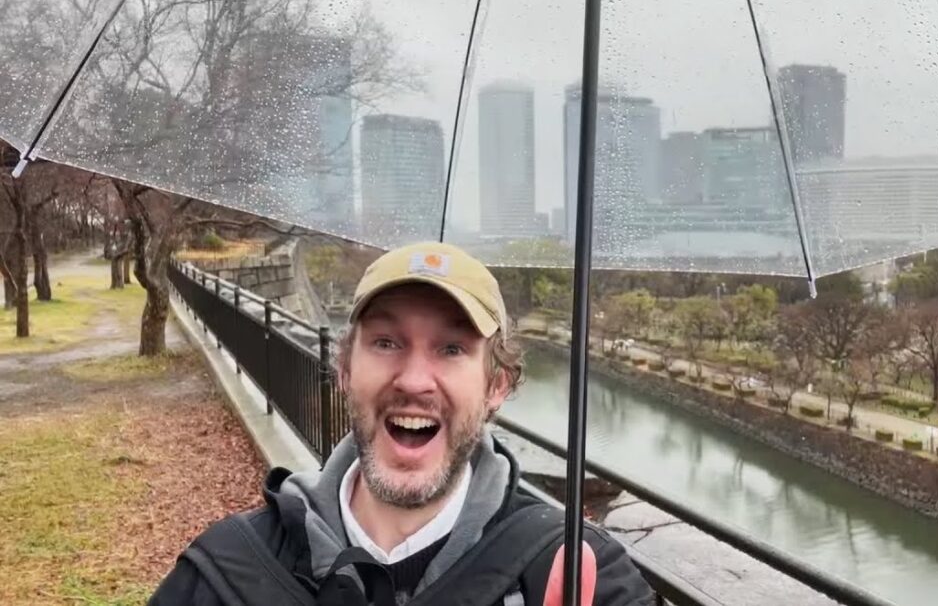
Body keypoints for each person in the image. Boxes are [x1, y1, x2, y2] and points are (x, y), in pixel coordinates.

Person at [149, 242, 654, 605]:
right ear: (345, 371)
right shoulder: (224, 575)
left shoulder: (579, 578)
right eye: (386, 342)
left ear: (496, 386)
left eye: (451, 348)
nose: (414, 380)